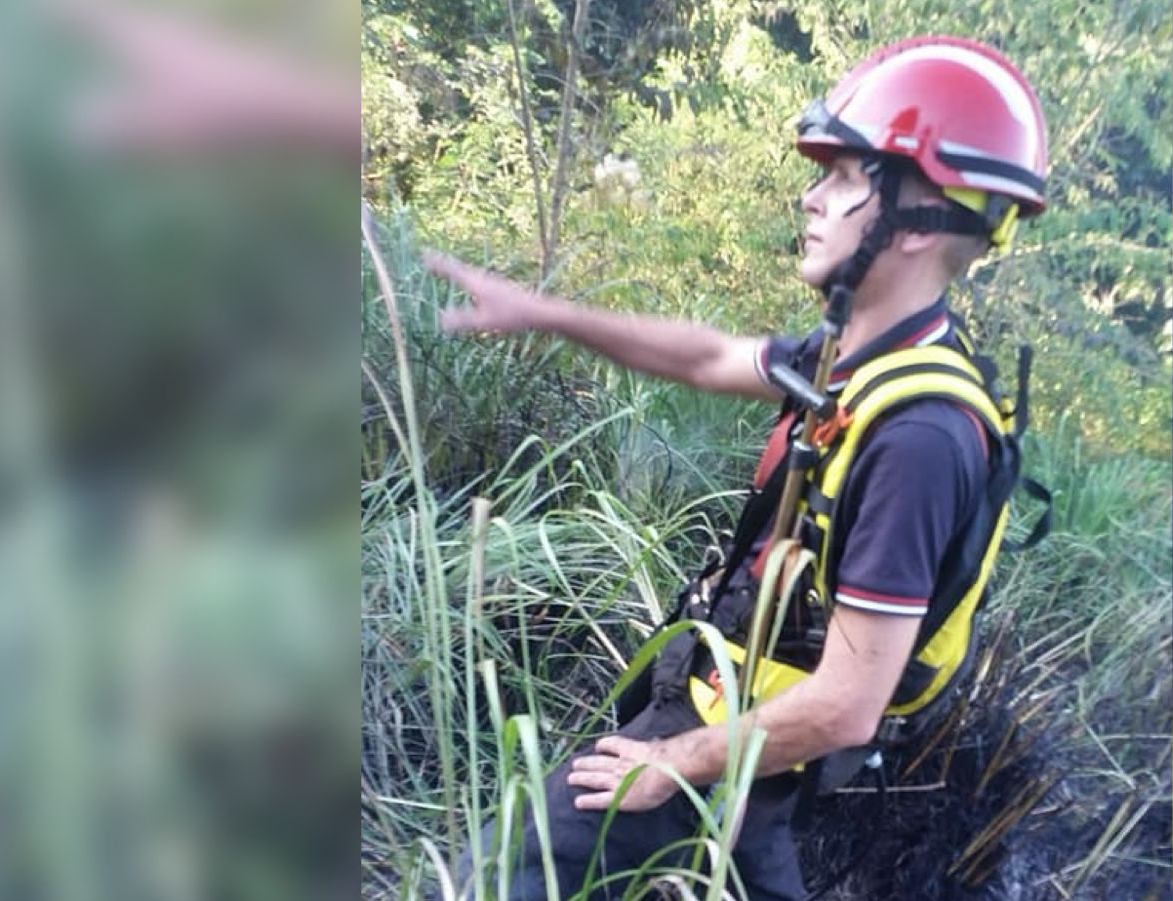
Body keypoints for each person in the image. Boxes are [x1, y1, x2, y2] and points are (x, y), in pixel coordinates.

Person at [426, 35, 1049, 901]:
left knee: (491, 880)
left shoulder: (920, 437)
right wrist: (546, 313)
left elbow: (846, 704)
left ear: (917, 213)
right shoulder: (855, 355)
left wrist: (670, 763)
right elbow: (707, 356)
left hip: (741, 739)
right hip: (741, 718)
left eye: (842, 175)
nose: (811, 195)